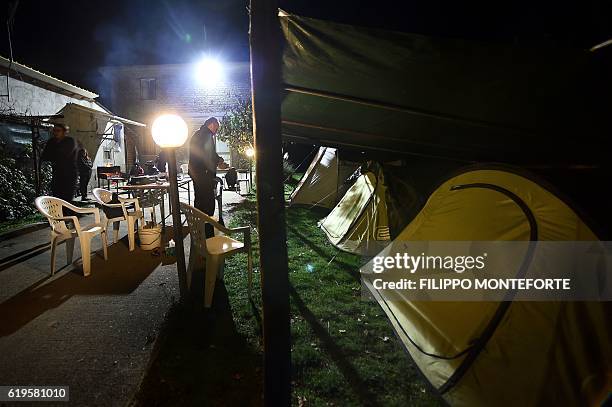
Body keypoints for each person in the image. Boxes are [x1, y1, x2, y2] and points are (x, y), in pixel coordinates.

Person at [189, 117, 220, 238]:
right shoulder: (206, 135)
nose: (216, 131)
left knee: (199, 201)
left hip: (196, 172)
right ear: (211, 124)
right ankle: (208, 234)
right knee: (208, 203)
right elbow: (209, 155)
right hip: (203, 174)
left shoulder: (198, 134)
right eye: (216, 128)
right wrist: (217, 161)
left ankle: (198, 231)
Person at [41, 123, 78, 202]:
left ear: (64, 132)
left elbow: (64, 155)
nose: (55, 133)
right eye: (54, 130)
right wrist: (55, 155)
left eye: (58, 131)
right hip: (57, 173)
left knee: (67, 199)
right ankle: (59, 213)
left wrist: (54, 154)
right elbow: (45, 156)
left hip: (69, 174)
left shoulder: (70, 141)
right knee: (57, 197)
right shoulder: (51, 142)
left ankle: (68, 213)